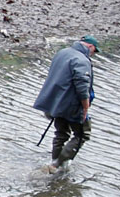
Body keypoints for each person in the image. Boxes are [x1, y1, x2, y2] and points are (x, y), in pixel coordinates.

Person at [34, 35, 99, 163]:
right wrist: (85, 107)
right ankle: (58, 166)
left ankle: (54, 161)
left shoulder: (62, 53)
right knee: (82, 134)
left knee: (61, 133)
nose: (93, 54)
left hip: (55, 102)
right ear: (90, 46)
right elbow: (82, 87)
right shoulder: (82, 61)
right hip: (71, 104)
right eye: (94, 51)